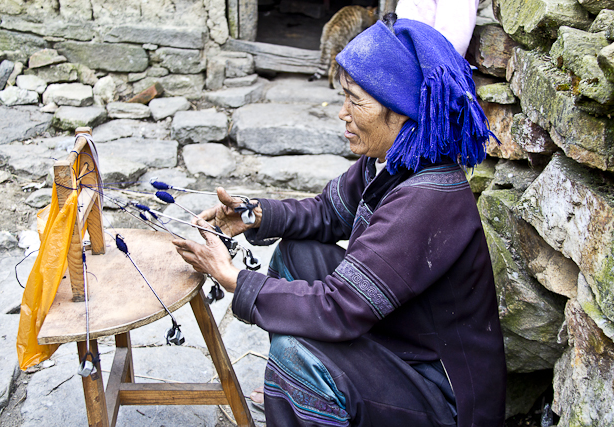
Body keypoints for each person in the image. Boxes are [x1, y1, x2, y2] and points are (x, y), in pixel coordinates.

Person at [173, 15, 506, 427]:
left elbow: (338, 307)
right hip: (396, 337)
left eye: (356, 100)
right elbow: (326, 214)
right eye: (343, 96)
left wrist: (233, 278)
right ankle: (303, 395)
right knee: (298, 254)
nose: (342, 113)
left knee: (297, 357)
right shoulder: (389, 162)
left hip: (440, 395)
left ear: (400, 111)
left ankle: (305, 388)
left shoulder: (427, 198)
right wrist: (254, 214)